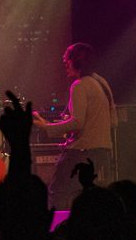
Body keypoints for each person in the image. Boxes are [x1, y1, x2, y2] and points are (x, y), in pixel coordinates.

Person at [33, 41, 116, 210]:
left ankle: (58, 229)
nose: (65, 65)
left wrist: (46, 126)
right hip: (103, 150)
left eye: (67, 61)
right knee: (85, 196)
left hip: (81, 151)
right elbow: (112, 120)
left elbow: (78, 123)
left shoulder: (79, 85)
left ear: (75, 61)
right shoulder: (102, 82)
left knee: (58, 192)